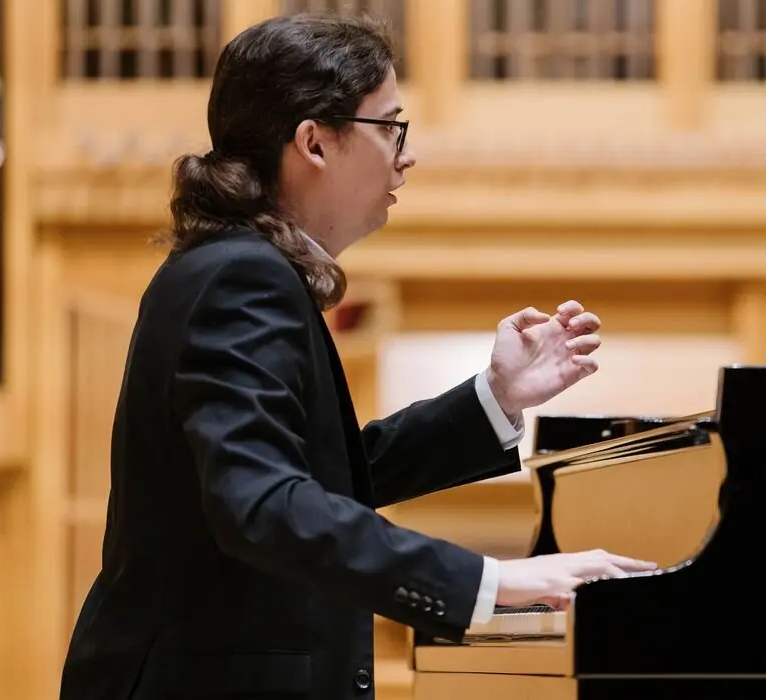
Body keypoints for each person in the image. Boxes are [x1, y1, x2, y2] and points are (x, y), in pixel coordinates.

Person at [58, 11, 656, 700]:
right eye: (390, 126)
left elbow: (312, 478)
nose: (407, 155)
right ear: (314, 142)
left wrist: (497, 396)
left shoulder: (240, 269)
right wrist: (492, 582)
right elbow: (263, 505)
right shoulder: (241, 278)